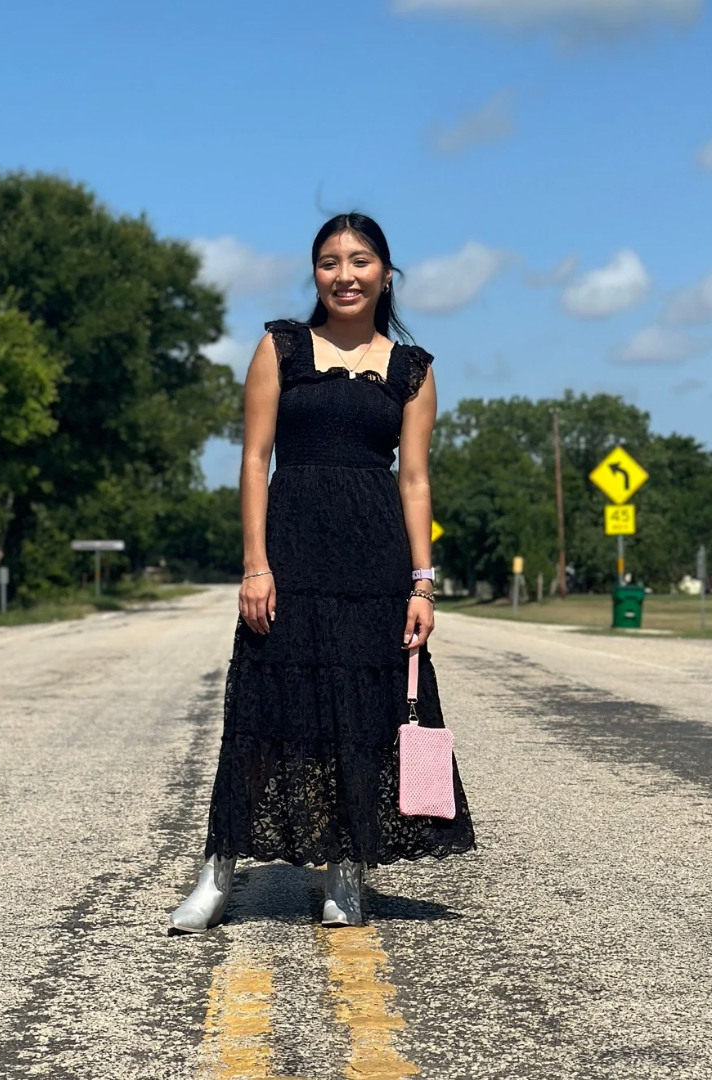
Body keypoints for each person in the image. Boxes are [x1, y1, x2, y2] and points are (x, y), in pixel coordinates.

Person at [169, 213, 475, 934]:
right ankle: (219, 873)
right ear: (316, 274)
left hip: (375, 564)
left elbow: (416, 482)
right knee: (259, 714)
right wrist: (254, 565)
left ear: (386, 274)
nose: (345, 274)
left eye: (361, 260)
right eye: (330, 261)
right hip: (292, 554)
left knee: (364, 715)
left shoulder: (413, 369)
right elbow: (253, 459)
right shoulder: (281, 347)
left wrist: (423, 583)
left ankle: (347, 872)